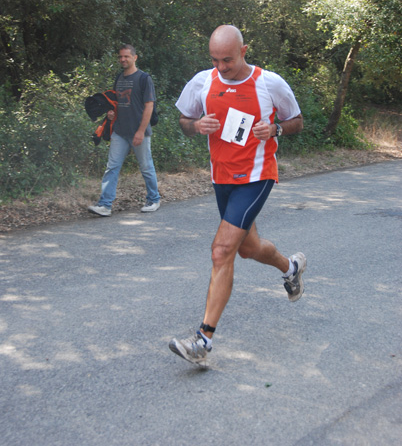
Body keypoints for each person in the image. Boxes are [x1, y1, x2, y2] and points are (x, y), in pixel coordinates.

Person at [169, 25, 306, 367]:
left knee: (221, 251)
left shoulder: (269, 83)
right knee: (247, 248)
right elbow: (184, 120)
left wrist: (274, 128)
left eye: (227, 60)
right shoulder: (203, 81)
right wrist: (196, 126)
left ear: (244, 51)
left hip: (257, 176)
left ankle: (203, 340)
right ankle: (290, 268)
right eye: (215, 60)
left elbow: (297, 122)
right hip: (222, 178)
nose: (221, 67)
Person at [88, 44, 160, 216]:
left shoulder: (144, 78)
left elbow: (149, 106)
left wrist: (141, 131)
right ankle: (105, 205)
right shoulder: (119, 78)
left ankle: (154, 199)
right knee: (112, 167)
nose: (123, 59)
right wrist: (111, 114)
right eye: (120, 57)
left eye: (126, 56)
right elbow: (116, 103)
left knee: (146, 167)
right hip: (120, 131)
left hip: (139, 131)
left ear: (134, 58)